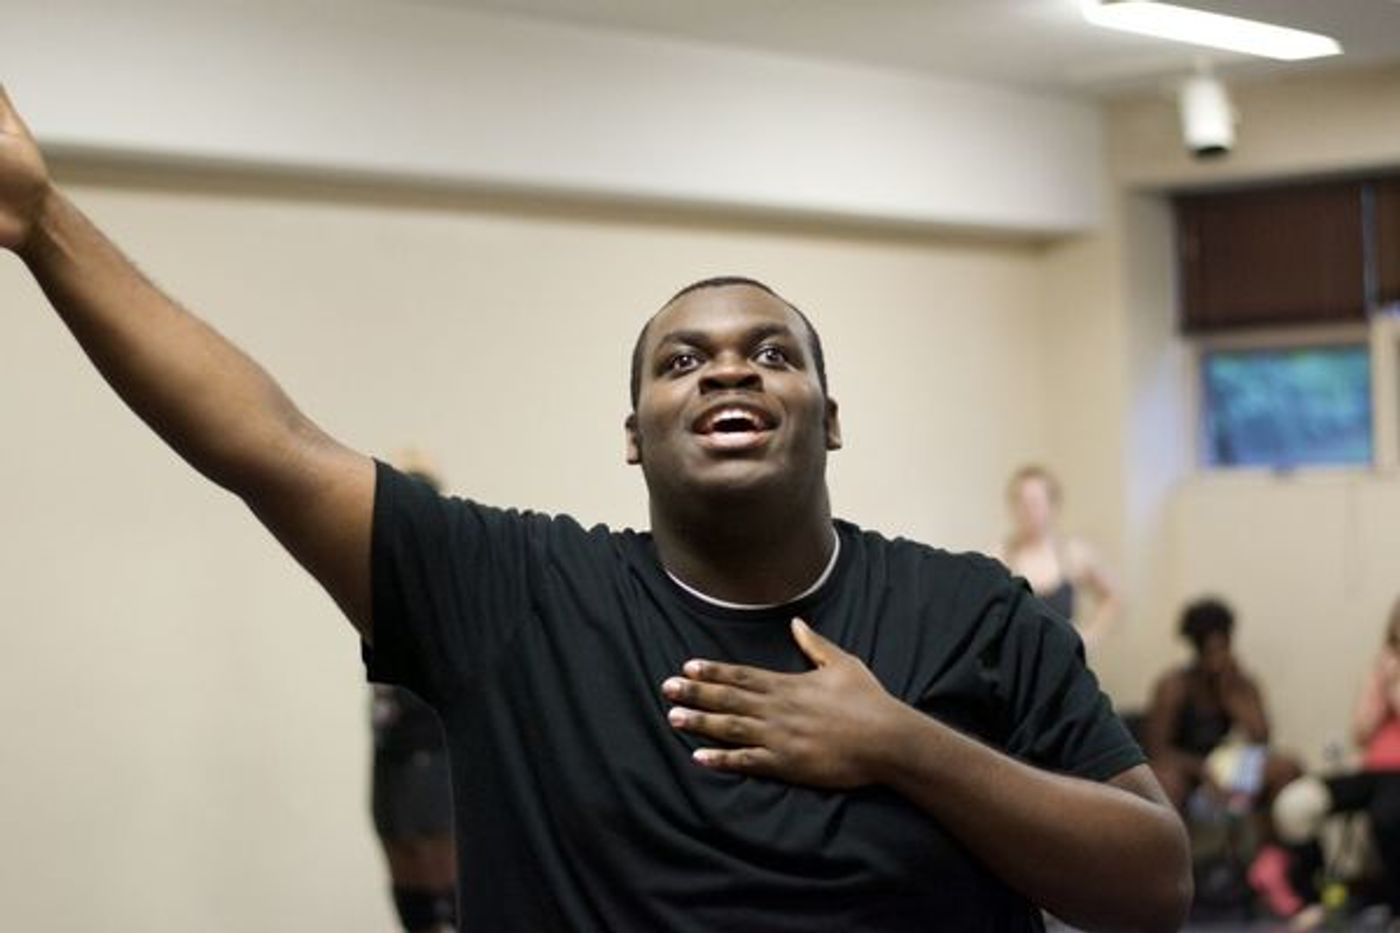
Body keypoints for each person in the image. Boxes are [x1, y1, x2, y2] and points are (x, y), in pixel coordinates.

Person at [0, 86, 1191, 931]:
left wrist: (900, 745)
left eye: (771, 353)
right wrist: (40, 225)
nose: (728, 369)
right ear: (631, 438)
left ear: (830, 416)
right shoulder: (512, 594)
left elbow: (1150, 884)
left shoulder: (968, 610)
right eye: (681, 362)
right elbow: (269, 447)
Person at [1144, 597, 1306, 916]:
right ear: (1196, 648)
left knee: (1287, 767)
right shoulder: (1175, 685)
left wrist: (1233, 694)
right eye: (1211, 649)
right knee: (1168, 782)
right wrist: (1203, 772)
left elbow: (1261, 737)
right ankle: (1170, 880)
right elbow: (1157, 749)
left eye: (1224, 646)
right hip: (1184, 766)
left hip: (1225, 764)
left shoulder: (1239, 681)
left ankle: (1269, 866)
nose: (1219, 655)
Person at [370, 457, 458, 933]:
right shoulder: (377, 575)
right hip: (392, 755)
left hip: (435, 752)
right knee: (407, 862)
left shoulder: (450, 582)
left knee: (440, 874)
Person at [1273, 596, 1400, 920]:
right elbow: (1360, 734)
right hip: (1371, 771)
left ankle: (1390, 905)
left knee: (1386, 818)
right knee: (1295, 805)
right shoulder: (1383, 665)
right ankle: (1316, 900)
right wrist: (1382, 683)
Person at [995, 465, 1120, 649]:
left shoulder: (1073, 553)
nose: (1028, 510)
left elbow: (1113, 597)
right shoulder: (1001, 555)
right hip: (1015, 668)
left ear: (1052, 505)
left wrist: (1089, 637)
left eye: (1034, 502)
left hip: (1064, 665)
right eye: (1021, 502)